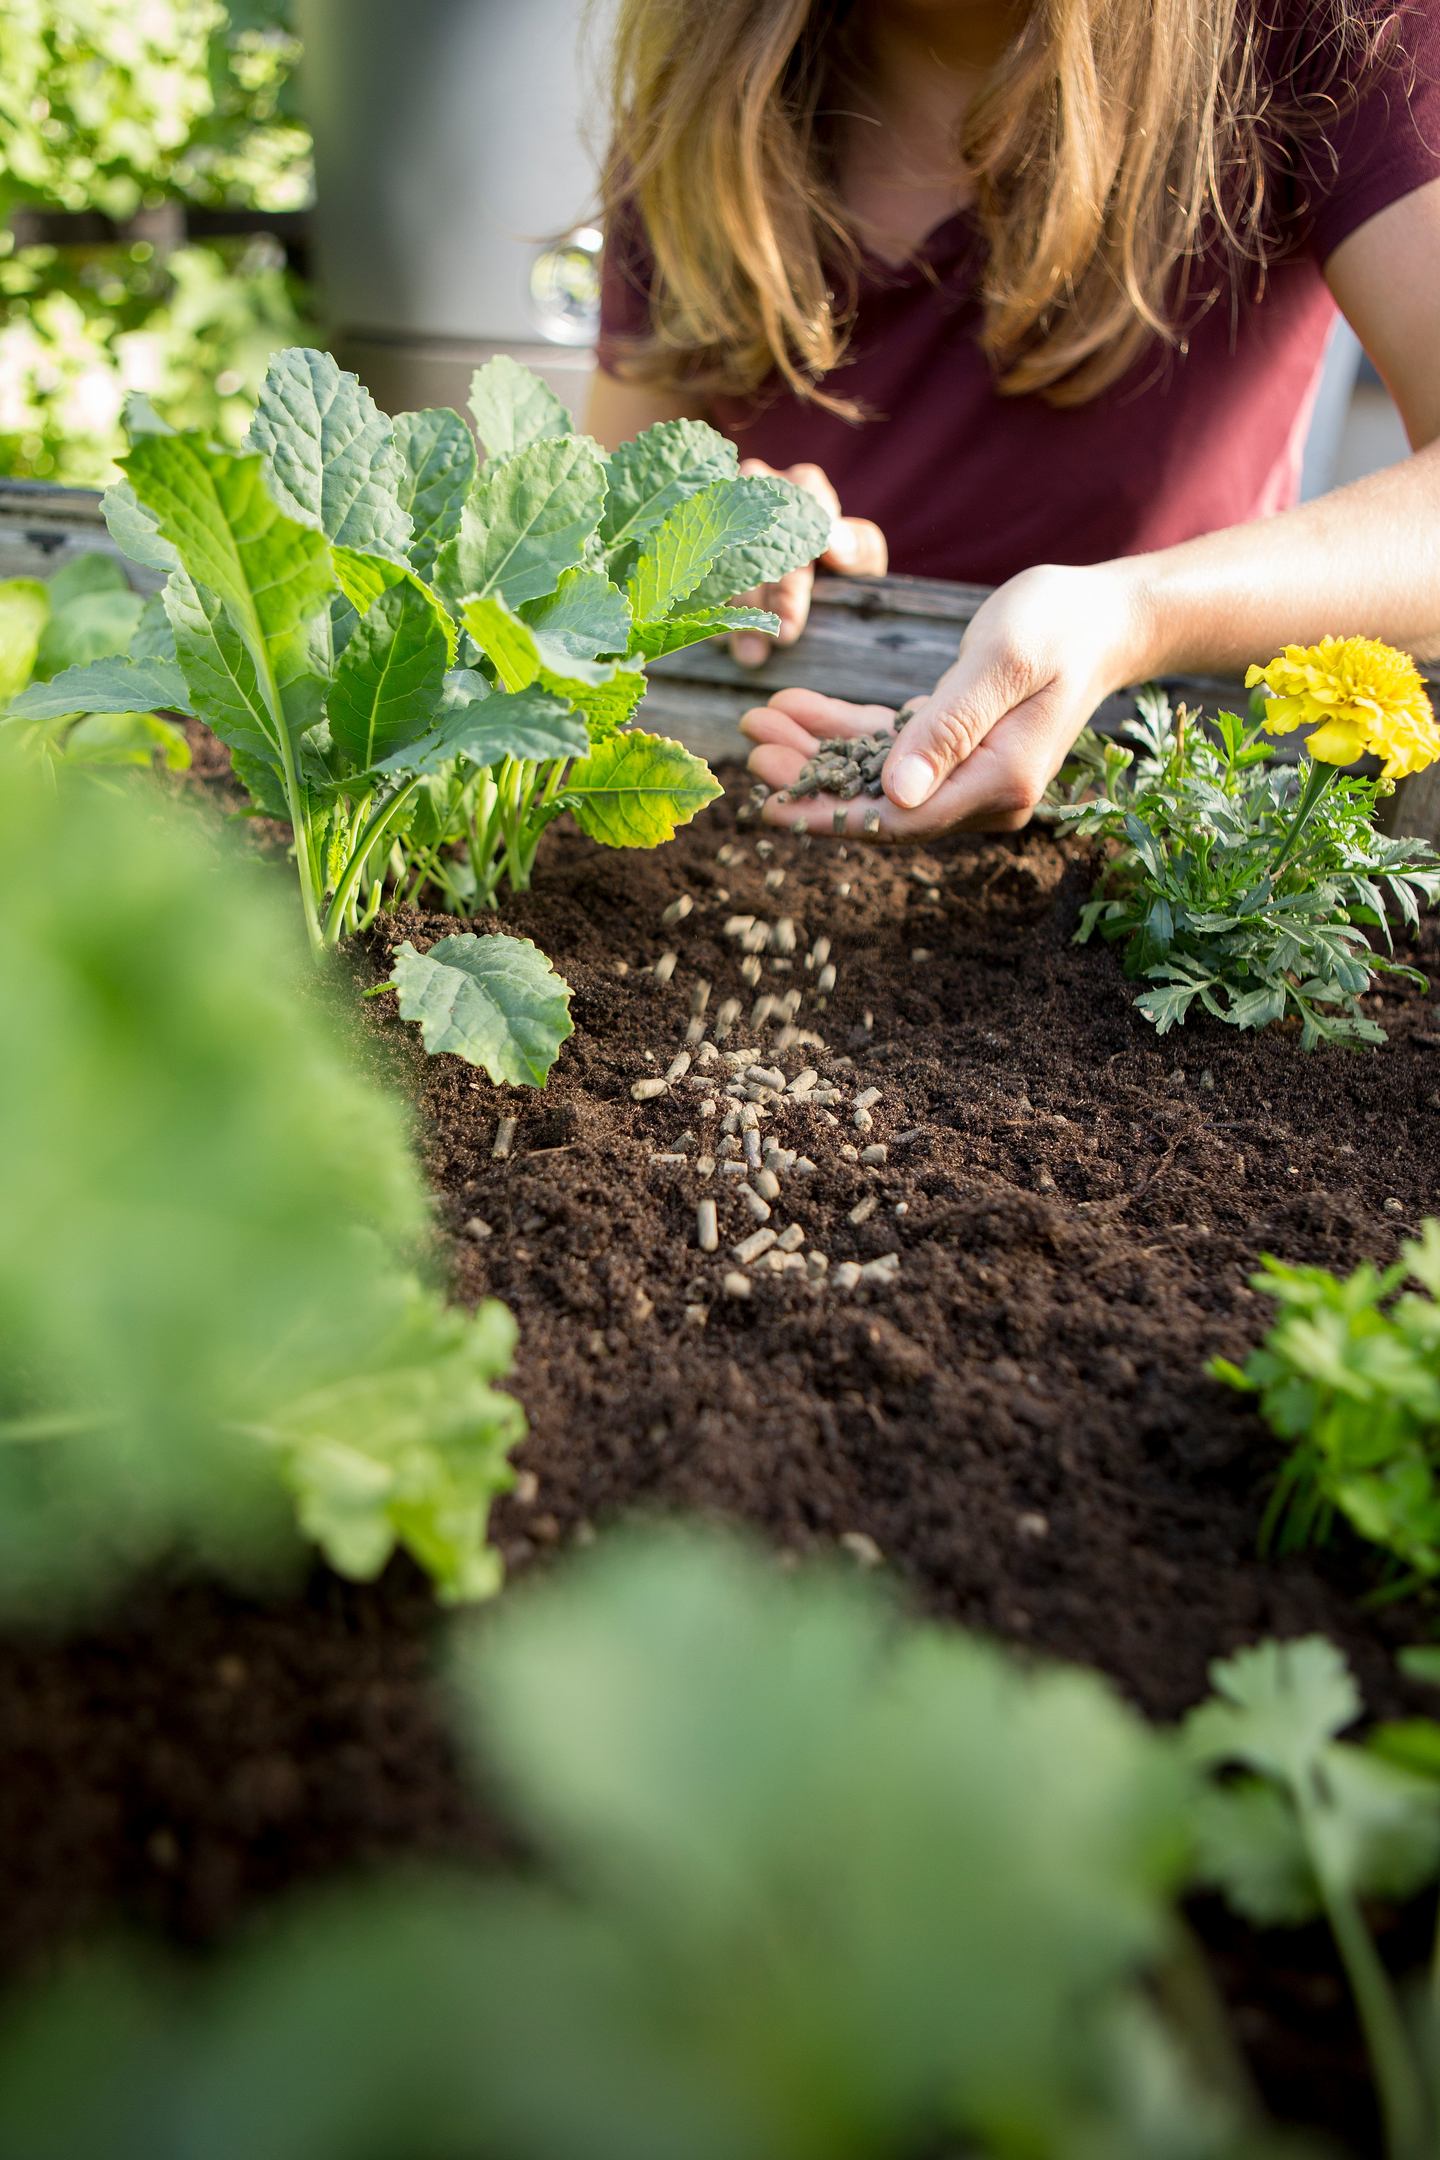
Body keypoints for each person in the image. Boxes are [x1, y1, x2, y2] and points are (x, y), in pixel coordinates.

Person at [585, 0, 1440, 839]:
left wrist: (1130, 618)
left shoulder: (1329, 27)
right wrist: (725, 534)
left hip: (1160, 808)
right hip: (766, 777)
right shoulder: (705, 82)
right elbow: (600, 549)